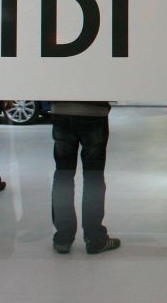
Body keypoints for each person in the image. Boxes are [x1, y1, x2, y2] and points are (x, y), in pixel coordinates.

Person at [50, 101, 119, 255]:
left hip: (61, 111)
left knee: (63, 174)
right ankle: (95, 238)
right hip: (94, 111)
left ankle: (63, 238)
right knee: (93, 176)